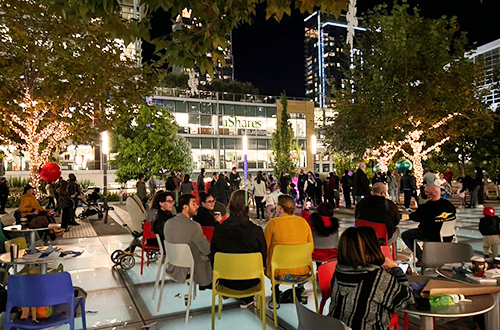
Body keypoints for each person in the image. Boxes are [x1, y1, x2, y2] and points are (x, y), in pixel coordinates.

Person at [328, 227, 414, 330]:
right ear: (372, 247)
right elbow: (407, 300)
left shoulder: (339, 270)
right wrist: (396, 269)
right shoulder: (377, 277)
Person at [210, 190, 267, 308]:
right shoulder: (256, 231)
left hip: (225, 281)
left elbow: (213, 257)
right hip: (252, 281)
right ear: (248, 206)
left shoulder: (219, 230)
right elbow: (264, 258)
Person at [264, 195, 313, 290]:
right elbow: (310, 247)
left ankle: (275, 289)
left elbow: (266, 248)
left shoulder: (272, 224)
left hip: (279, 272)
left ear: (280, 208)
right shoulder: (303, 222)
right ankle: (300, 288)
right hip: (303, 270)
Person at [164, 194, 212, 288]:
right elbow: (207, 250)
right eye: (193, 204)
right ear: (185, 207)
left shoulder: (168, 223)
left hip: (173, 265)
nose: (197, 206)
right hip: (191, 268)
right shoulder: (194, 226)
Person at [401, 185, 457, 261]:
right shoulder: (449, 205)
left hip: (431, 236)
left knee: (405, 235)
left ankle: (421, 257)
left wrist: (403, 216)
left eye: (426, 192)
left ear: (431, 194)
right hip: (448, 236)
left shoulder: (425, 208)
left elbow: (415, 217)